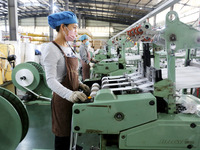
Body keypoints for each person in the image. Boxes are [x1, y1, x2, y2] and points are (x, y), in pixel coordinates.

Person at [43, 11, 90, 150]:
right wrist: (69, 94)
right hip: (63, 100)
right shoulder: (51, 48)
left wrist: (79, 84)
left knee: (73, 129)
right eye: (74, 27)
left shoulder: (68, 47)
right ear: (63, 27)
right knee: (62, 135)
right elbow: (51, 80)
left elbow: (71, 72)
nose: (76, 31)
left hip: (74, 96)